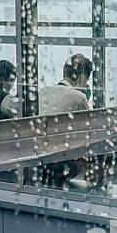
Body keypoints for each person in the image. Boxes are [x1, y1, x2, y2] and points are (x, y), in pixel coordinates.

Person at [38, 54, 94, 190]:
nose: (86, 83)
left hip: (40, 161)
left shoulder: (43, 92)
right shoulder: (79, 97)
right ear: (81, 77)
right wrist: (86, 97)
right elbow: (89, 132)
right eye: (86, 79)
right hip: (62, 161)